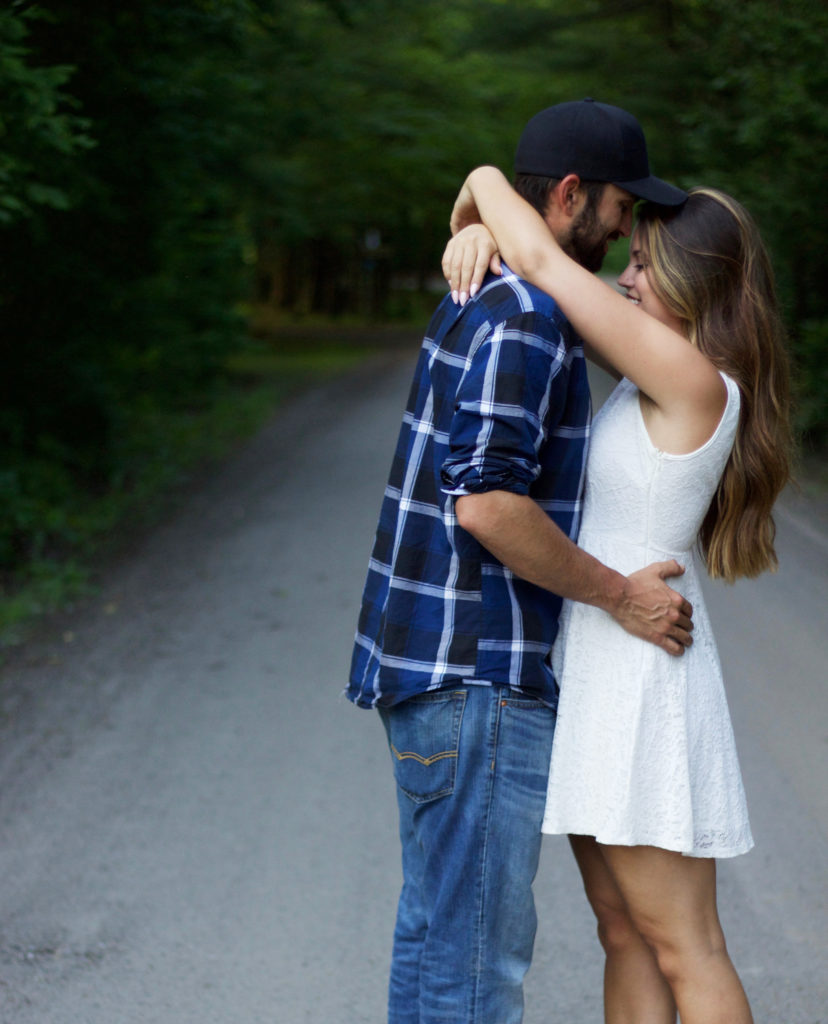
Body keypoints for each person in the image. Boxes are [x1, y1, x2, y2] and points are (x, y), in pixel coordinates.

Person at [347, 98, 693, 1024]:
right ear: (573, 194)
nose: (626, 231)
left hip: (431, 670)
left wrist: (471, 217)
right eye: (622, 207)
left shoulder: (493, 290)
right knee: (473, 968)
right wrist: (619, 595)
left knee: (433, 938)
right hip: (479, 678)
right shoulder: (531, 316)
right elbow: (490, 502)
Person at [442, 167, 792, 1023]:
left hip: (644, 678)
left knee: (685, 944)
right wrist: (471, 232)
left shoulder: (690, 379)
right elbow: (524, 263)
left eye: (643, 265)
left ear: (692, 288)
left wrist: (483, 180)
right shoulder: (656, 366)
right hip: (604, 661)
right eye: (630, 259)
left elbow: (544, 261)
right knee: (624, 932)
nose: (625, 278)